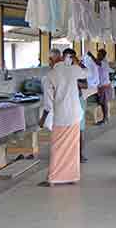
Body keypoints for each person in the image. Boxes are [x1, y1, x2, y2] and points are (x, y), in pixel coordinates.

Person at [39, 48, 87, 186]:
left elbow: (48, 104)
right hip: (75, 114)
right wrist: (77, 62)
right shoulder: (72, 69)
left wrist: (42, 120)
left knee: (57, 148)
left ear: (52, 60)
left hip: (61, 117)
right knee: (73, 148)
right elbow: (86, 72)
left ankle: (53, 179)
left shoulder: (49, 76)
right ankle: (71, 177)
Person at [95, 49, 111, 125]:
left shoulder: (104, 63)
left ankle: (105, 118)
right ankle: (105, 118)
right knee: (102, 103)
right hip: (101, 85)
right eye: (97, 54)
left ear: (102, 56)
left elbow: (96, 61)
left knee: (104, 103)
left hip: (104, 86)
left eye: (99, 54)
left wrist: (90, 55)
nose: (97, 55)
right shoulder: (100, 63)